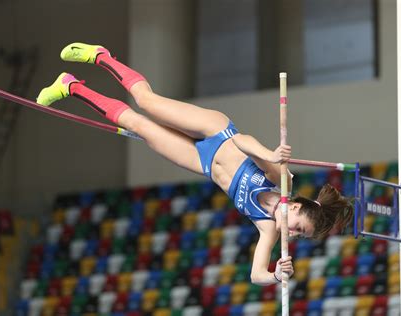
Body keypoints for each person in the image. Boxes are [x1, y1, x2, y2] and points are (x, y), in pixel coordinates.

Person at [37, 43, 353, 286]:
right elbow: (242, 141)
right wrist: (270, 157)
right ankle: (102, 56)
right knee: (146, 102)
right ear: (296, 207)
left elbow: (256, 273)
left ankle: (71, 86)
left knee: (140, 126)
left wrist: (276, 276)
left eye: (298, 237)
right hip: (217, 132)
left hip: (202, 163)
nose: (292, 235)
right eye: (297, 228)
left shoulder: (268, 228)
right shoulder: (283, 183)